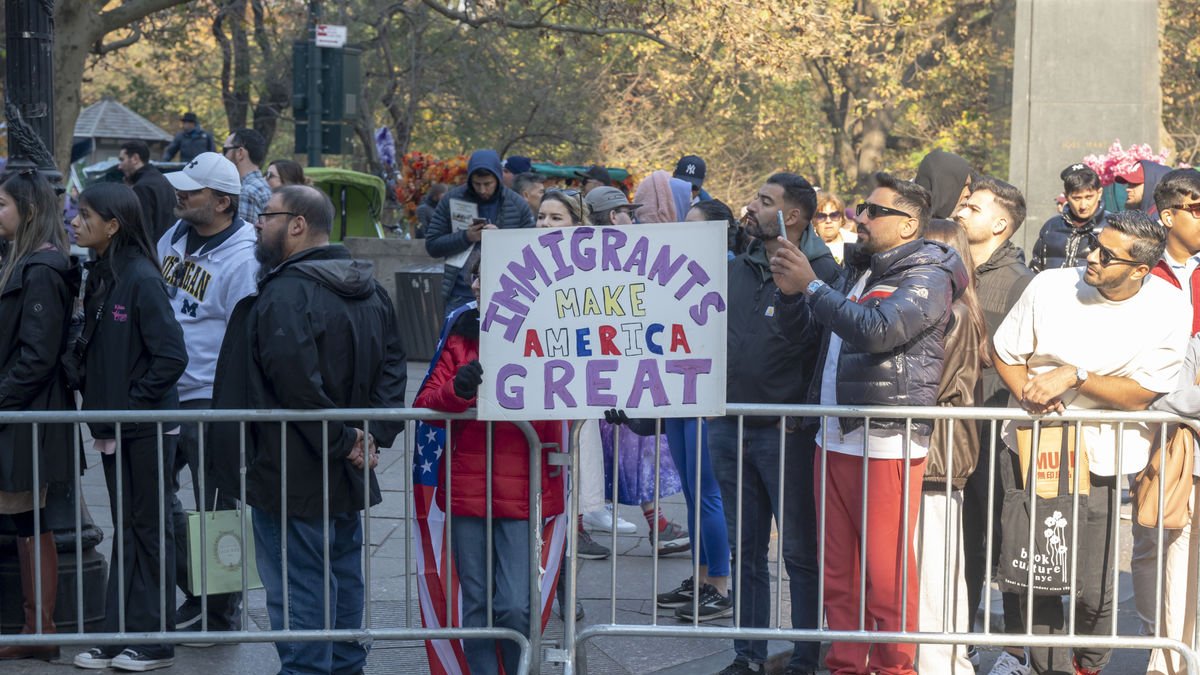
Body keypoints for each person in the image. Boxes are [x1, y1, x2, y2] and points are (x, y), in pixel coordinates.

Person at [771, 171, 967, 674]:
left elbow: (880, 331)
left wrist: (811, 286)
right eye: (863, 206)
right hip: (834, 435)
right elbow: (811, 333)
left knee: (885, 575)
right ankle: (846, 665)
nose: (862, 216)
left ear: (909, 225)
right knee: (839, 570)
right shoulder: (861, 269)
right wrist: (793, 293)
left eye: (875, 211)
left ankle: (894, 667)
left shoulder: (928, 274)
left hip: (886, 440)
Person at [209, 185, 408, 675]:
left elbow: (295, 383)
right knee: (339, 569)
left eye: (267, 215)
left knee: (300, 579)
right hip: (340, 462)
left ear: (297, 225)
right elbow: (393, 369)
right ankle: (341, 665)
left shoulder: (287, 292)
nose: (257, 223)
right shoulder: (368, 288)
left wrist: (354, 440)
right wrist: (367, 438)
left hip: (292, 469)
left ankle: (308, 668)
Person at [991, 210, 1189, 675]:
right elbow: (1005, 351)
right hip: (1032, 446)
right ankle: (1047, 669)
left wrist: (1074, 375)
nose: (1092, 258)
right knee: (1036, 573)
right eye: (1095, 245)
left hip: (1106, 456)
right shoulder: (1049, 286)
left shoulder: (1169, 305)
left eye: (1107, 254)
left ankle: (1089, 663)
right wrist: (1030, 394)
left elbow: (1143, 394)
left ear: (1140, 269)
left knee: (1095, 588)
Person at [705, 175, 837, 675]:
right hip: (730, 426)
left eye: (764, 202)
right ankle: (748, 656)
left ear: (794, 217)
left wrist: (802, 420)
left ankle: (806, 658)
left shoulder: (823, 272)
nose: (751, 207)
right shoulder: (736, 270)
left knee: (800, 554)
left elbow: (821, 352)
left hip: (788, 433)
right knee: (746, 552)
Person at [413, 251, 561, 675]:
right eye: (477, 277)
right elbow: (426, 402)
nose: (480, 285)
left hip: (521, 490)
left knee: (515, 604)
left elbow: (565, 400)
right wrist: (457, 392)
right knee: (475, 604)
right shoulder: (459, 335)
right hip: (466, 489)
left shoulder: (546, 335)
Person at [67, 182, 188, 672]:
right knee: (130, 529)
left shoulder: (139, 277)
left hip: (144, 428)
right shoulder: (103, 274)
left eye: (85, 214)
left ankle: (154, 642)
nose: (75, 221)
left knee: (149, 530)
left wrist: (131, 405)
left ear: (114, 225)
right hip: (118, 427)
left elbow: (171, 354)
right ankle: (119, 635)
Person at [624, 170, 732, 622]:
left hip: (707, 395)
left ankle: (720, 587)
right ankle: (701, 577)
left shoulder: (726, 267)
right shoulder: (678, 267)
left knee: (708, 493)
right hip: (681, 393)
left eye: (694, 225)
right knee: (689, 492)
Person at [159, 151, 259, 636]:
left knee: (218, 508)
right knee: (153, 496)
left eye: (191, 190)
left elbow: (247, 336)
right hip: (164, 394)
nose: (180, 194)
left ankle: (218, 611)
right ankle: (197, 592)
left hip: (210, 399)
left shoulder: (244, 257)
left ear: (222, 202)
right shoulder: (173, 236)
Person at [952, 175, 1035, 674]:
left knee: (1011, 544)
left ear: (1000, 223)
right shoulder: (946, 268)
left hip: (1003, 436)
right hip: (954, 435)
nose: (961, 211)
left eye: (973, 207)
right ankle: (959, 642)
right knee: (959, 543)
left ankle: (1018, 651)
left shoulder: (1024, 283)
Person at [0, 170, 79, 663]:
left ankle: (39, 629)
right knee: (27, 518)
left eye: (2, 204)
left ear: (27, 211)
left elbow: (37, 355)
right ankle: (36, 628)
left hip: (27, 415)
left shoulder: (42, 269)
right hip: (18, 411)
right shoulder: (22, 262)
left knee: (30, 517)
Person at [1132, 168, 1200, 675]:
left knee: (1188, 543)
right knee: (1155, 537)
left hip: (1190, 422)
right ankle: (1162, 648)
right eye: (1196, 208)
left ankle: (1180, 654)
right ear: (1169, 214)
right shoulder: (1139, 269)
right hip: (1147, 429)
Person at [915, 218, 987, 675]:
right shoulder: (957, 308)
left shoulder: (954, 313)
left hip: (937, 453)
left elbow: (930, 384)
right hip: (939, 450)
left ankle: (944, 662)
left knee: (935, 569)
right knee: (936, 565)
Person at [1144, 334, 1200, 675]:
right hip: (1192, 478)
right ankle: (1170, 665)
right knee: (1179, 572)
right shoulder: (1198, 344)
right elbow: (1162, 401)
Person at [425, 149, 535, 310]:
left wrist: (501, 240)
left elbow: (532, 253)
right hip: (460, 294)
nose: (482, 190)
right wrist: (466, 237)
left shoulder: (518, 205)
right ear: (470, 180)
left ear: (498, 178)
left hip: (506, 293)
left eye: (487, 184)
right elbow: (432, 245)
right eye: (477, 184)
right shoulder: (451, 200)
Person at [1030, 164, 1107, 272]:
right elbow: (1035, 269)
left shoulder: (1112, 227)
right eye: (1076, 198)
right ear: (1066, 197)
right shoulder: (1050, 227)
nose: (1083, 206)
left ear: (1099, 193)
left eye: (1089, 197)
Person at [117, 140, 177, 242]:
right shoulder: (161, 180)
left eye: (122, 160)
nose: (119, 166)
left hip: (151, 253)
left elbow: (142, 231)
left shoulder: (142, 187)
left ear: (135, 158)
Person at [220, 128, 270, 224]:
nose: (223, 156)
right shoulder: (263, 185)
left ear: (240, 153)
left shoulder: (246, 192)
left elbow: (244, 237)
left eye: (225, 150)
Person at [915, 149, 973, 219]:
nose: (968, 193)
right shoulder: (904, 223)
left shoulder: (948, 226)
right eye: (963, 186)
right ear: (944, 186)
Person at [813, 191, 857, 265]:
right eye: (821, 216)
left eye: (834, 215)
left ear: (841, 219)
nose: (828, 221)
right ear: (814, 221)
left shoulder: (856, 242)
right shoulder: (807, 248)